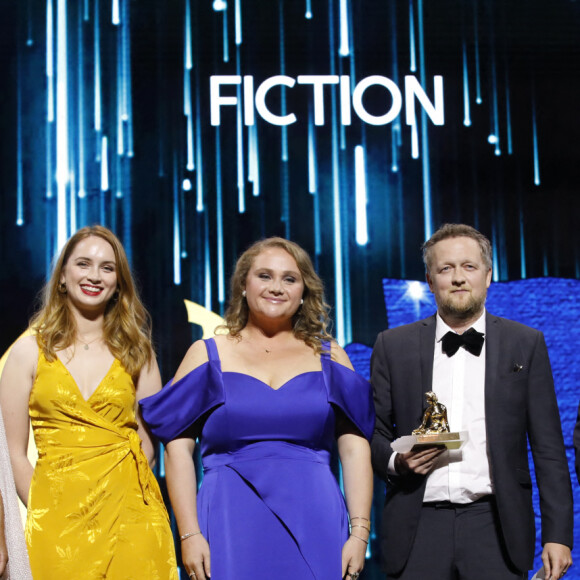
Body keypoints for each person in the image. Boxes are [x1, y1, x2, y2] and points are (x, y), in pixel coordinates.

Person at [140, 237, 375, 580]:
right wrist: (189, 534)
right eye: (265, 276)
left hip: (317, 516)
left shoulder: (330, 355)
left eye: (290, 279)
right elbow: (177, 450)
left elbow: (355, 450)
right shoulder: (206, 354)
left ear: (304, 291)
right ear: (243, 286)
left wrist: (359, 533)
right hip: (228, 518)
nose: (277, 287)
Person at [371, 223, 573, 580]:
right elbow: (374, 432)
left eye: (469, 267)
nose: (458, 278)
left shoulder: (525, 343)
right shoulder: (392, 345)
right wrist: (398, 462)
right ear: (430, 281)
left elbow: (549, 448)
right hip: (418, 526)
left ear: (488, 275)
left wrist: (558, 535)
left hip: (496, 526)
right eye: (445, 268)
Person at [0, 225, 178, 579]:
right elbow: (11, 454)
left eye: (107, 268)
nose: (94, 276)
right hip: (55, 519)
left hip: (132, 517)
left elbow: (148, 443)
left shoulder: (138, 352)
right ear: (63, 275)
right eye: (84, 264)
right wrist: (45, 506)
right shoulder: (26, 352)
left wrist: (123, 498)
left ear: (118, 283)